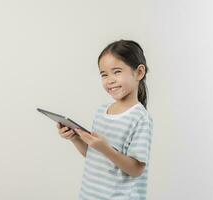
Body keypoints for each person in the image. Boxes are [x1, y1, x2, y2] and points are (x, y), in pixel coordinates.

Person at [56, 39, 153, 200]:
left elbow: (136, 169)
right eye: (104, 74)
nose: (110, 80)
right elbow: (96, 156)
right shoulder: (102, 111)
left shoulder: (140, 118)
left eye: (117, 72)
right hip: (90, 194)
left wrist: (106, 149)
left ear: (139, 72)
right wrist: (75, 139)